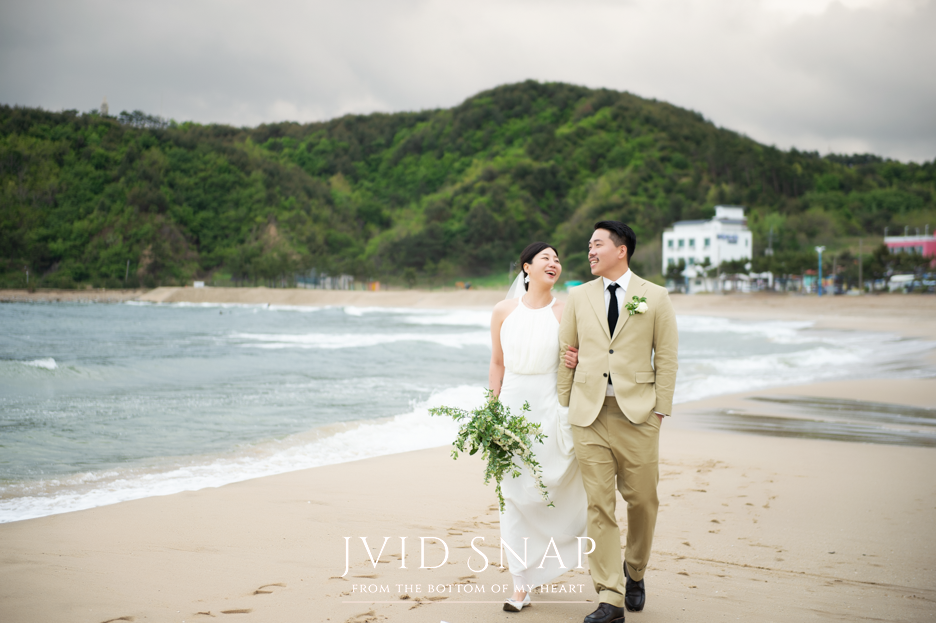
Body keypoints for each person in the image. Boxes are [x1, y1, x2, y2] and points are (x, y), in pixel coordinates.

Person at [557, 221, 678, 623]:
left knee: (643, 500)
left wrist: (659, 411)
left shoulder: (655, 296)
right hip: (588, 415)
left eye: (597, 244)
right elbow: (567, 350)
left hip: (639, 415)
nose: (590, 251)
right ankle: (610, 596)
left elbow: (667, 357)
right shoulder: (578, 296)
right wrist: (565, 402)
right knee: (599, 506)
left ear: (621, 249)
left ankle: (635, 570)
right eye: (588, 245)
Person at [489, 241, 588, 613]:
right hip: (511, 407)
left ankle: (552, 559)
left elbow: (580, 359)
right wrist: (492, 410)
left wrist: (576, 359)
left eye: (557, 259)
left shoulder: (565, 311)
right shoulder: (503, 311)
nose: (554, 263)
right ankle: (520, 584)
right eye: (545, 257)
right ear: (526, 267)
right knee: (512, 494)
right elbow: (496, 363)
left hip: (550, 408)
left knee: (552, 487)